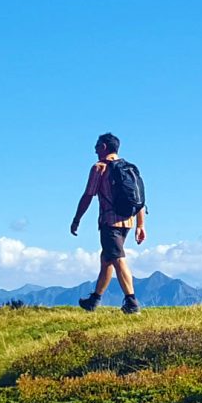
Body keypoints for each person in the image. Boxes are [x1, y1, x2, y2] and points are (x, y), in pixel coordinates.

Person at [70, 132, 147, 313]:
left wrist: (76, 219)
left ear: (104, 147)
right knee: (106, 259)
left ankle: (132, 302)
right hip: (127, 221)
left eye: (97, 146)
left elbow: (88, 195)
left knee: (117, 259)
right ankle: (94, 300)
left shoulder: (100, 168)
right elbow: (140, 200)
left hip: (109, 222)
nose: (95, 150)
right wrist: (140, 225)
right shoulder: (130, 168)